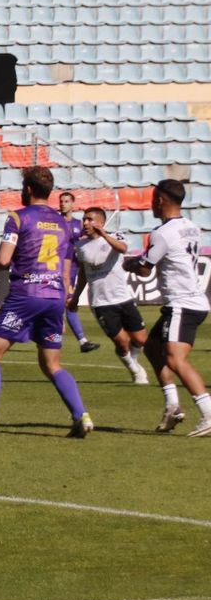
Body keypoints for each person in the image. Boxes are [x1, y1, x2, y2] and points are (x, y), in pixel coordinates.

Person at [0, 166, 93, 439]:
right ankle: (82, 415)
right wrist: (62, 303)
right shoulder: (64, 223)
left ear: (28, 189)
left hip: (26, 295)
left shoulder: (18, 218)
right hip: (54, 296)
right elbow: (66, 267)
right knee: (52, 364)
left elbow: (4, 258)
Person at [123, 178, 211, 436]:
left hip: (182, 303)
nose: (151, 204)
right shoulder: (191, 227)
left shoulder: (162, 232)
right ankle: (173, 406)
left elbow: (144, 269)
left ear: (160, 201)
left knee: (174, 358)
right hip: (191, 300)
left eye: (153, 199)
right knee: (152, 347)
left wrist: (129, 264)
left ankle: (207, 412)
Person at [67, 206, 149, 385]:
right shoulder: (80, 246)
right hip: (101, 302)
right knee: (122, 342)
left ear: (101, 222)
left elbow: (122, 248)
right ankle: (135, 370)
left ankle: (133, 359)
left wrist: (103, 234)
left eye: (90, 219)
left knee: (141, 339)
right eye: (84, 219)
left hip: (123, 297)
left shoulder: (116, 236)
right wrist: (76, 297)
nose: (85, 223)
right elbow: (83, 273)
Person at [58, 191, 100, 353]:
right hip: (58, 269)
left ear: (72, 204)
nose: (63, 204)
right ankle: (82, 341)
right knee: (69, 303)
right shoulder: (55, 222)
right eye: (61, 201)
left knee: (67, 304)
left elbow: (87, 241)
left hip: (73, 269)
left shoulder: (79, 224)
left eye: (66, 201)